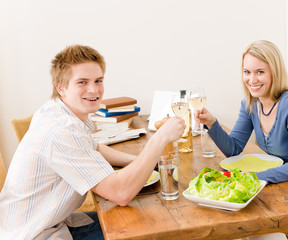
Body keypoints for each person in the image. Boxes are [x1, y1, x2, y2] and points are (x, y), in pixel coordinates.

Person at [0, 45, 185, 240]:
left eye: (98, 80)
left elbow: (94, 146)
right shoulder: (63, 130)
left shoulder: (56, 109)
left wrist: (141, 162)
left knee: (143, 219)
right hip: (34, 234)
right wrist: (159, 139)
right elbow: (121, 193)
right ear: (60, 87)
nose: (94, 89)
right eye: (82, 82)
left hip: (45, 223)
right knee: (153, 228)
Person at [196, 40, 288, 198]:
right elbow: (233, 149)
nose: (252, 80)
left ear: (275, 72)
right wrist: (211, 123)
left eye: (260, 72)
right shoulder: (250, 104)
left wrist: (257, 177)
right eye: (247, 72)